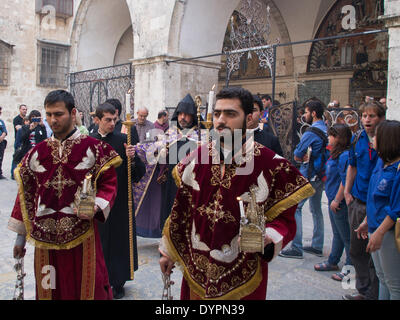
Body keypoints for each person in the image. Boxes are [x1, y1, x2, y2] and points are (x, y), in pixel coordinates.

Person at [158, 87, 314, 300]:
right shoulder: (196, 158)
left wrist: (269, 236)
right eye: (217, 113)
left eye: (230, 114)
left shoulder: (270, 163)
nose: (221, 120)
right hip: (197, 271)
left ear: (249, 119)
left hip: (242, 274)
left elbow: (285, 219)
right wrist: (168, 251)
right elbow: (181, 210)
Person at [8, 90, 121, 300]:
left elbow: (109, 184)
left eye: (58, 114)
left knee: (87, 290)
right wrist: (20, 237)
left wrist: (95, 206)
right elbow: (25, 194)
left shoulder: (95, 149)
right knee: (49, 291)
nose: (53, 119)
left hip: (83, 236)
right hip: (45, 241)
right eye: (49, 114)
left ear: (73, 113)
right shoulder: (36, 153)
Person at [91, 102, 145, 299]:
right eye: (108, 120)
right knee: (101, 241)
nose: (112, 123)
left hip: (121, 200)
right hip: (97, 201)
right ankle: (100, 280)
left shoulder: (124, 139)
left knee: (120, 241)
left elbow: (138, 174)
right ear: (97, 119)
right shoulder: (89, 141)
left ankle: (118, 281)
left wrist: (133, 158)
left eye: (114, 119)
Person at [342, 101, 386, 300]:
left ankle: (375, 294)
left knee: (375, 254)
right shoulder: (357, 138)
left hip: (378, 204)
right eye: (364, 116)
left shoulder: (388, 141)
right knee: (356, 250)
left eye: (372, 116)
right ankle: (363, 290)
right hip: (358, 202)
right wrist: (347, 192)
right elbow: (353, 166)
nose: (367, 120)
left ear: (381, 119)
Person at [355, 120, 400, 300]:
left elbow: (396, 208)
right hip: (374, 227)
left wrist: (379, 233)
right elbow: (374, 197)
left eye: (376, 136)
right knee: (382, 278)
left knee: (394, 283)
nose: (373, 139)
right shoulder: (381, 163)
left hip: (387, 232)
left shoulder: (397, 170)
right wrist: (367, 221)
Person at [279, 98, 328, 259]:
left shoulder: (311, 132)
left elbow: (298, 154)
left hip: (310, 173)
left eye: (306, 112)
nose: (304, 115)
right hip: (321, 174)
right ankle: (317, 244)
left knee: (296, 208)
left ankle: (297, 247)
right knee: (316, 209)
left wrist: (301, 157)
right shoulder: (326, 129)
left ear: (313, 113)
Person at [314, 124, 352, 281]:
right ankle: (333, 260)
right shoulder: (334, 154)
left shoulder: (345, 156)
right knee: (337, 234)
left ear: (339, 137)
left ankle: (350, 268)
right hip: (332, 199)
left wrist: (337, 199)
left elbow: (345, 181)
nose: (328, 138)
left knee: (346, 236)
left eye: (331, 135)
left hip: (339, 201)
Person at [158, 94, 200, 232]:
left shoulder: (201, 133)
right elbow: (159, 154)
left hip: (193, 181)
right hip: (172, 182)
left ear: (193, 116)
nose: (183, 117)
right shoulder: (171, 131)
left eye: (187, 114)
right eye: (180, 114)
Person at [11, 104, 28, 179]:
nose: (25, 111)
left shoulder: (27, 118)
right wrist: (27, 127)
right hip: (19, 141)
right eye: (23, 109)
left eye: (26, 109)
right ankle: (13, 174)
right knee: (16, 158)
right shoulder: (16, 119)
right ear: (20, 110)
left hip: (25, 141)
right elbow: (18, 128)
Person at [0, 106, 8, 179]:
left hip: (1, 142)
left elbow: (5, 130)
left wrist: (2, 136)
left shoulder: (1, 121)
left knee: (0, 158)